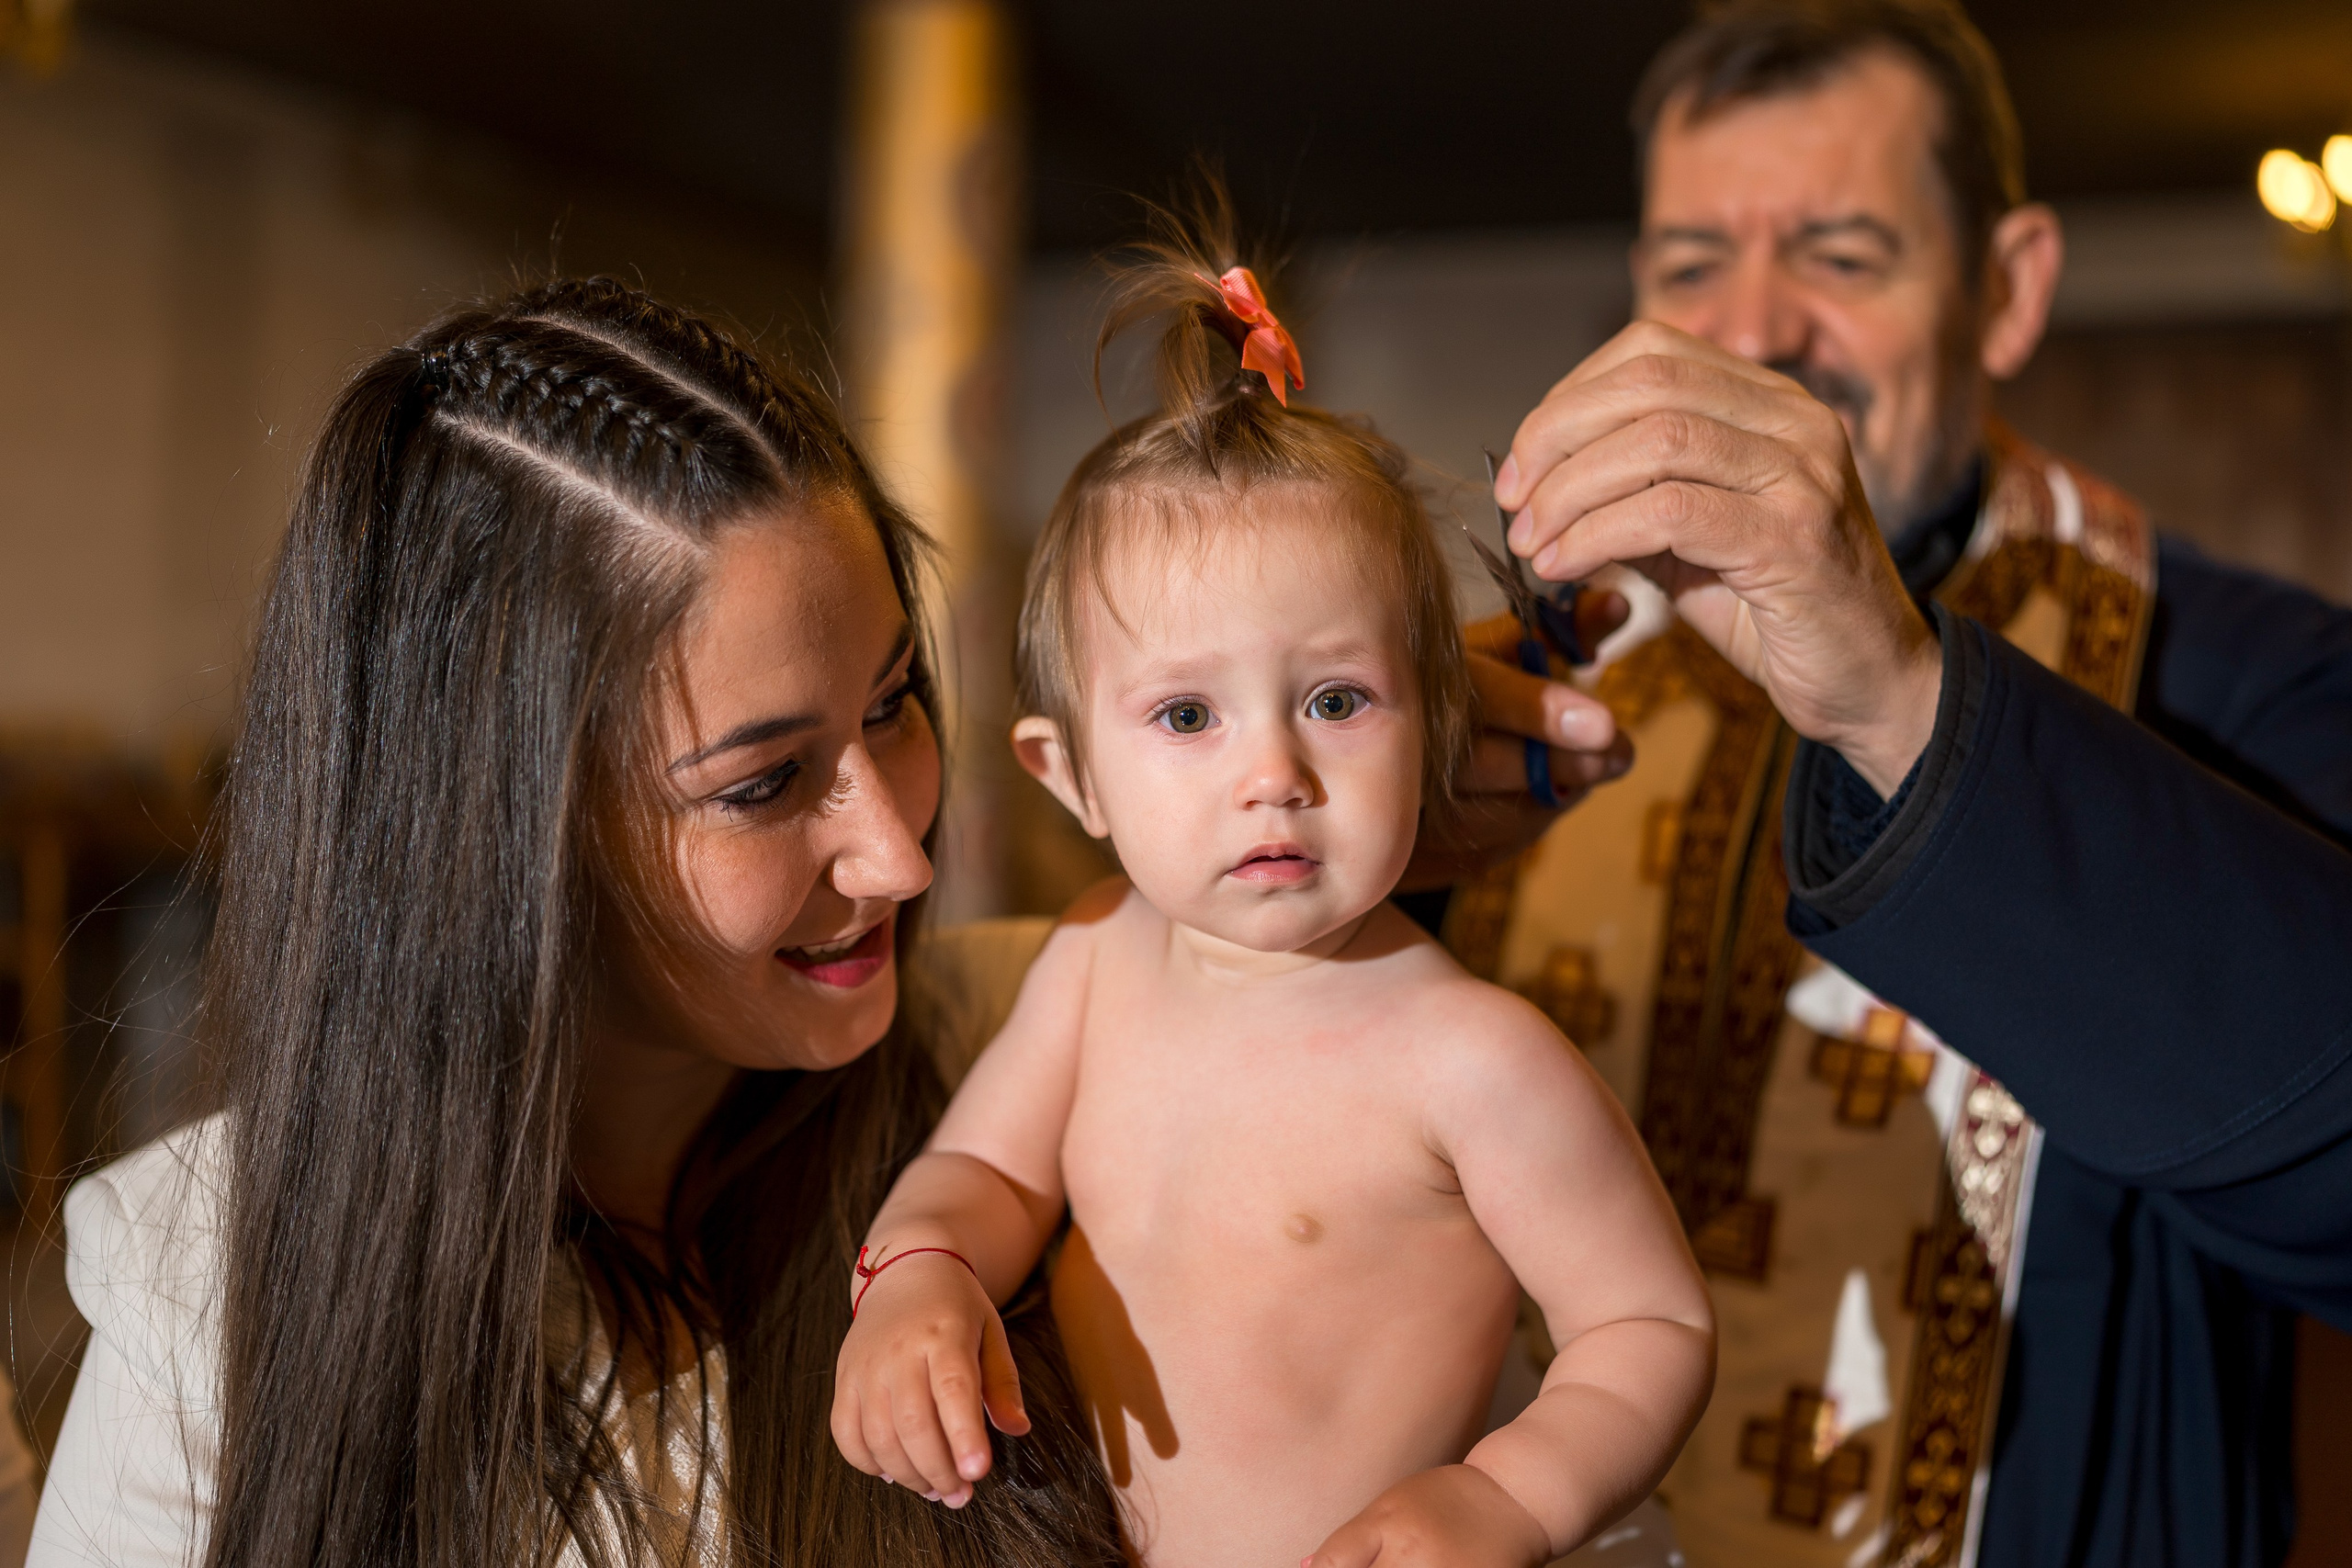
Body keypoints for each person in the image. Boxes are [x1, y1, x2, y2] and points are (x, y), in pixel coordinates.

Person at [27, 278, 1125, 1568]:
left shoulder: (1041, 1043)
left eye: (890, 706)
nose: (896, 853)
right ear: (500, 841)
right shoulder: (212, 1292)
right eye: (763, 784)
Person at [1470, 2, 2352, 1565]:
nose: (1750, 331)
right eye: (1688, 267)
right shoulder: (1555, 680)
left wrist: (1897, 697)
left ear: (2005, 293)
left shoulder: (2252, 673)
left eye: (1843, 254)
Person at [829, 227, 1715, 1568]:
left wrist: (1506, 1499)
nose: (1275, 774)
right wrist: (921, 1277)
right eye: (1188, 713)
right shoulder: (1092, 967)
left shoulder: (1472, 1059)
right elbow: (983, 1171)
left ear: (1435, 729)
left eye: (1338, 700)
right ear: (1071, 776)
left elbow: (1650, 1328)